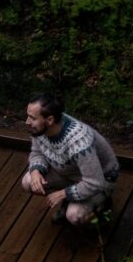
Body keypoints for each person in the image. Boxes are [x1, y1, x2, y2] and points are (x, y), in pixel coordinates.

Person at [21, 94, 119, 226]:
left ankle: (102, 204)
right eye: (28, 116)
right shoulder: (40, 129)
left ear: (49, 120)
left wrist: (63, 194)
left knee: (74, 215)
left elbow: (95, 183)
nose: (27, 122)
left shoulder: (79, 143)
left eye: (32, 118)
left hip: (100, 181)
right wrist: (36, 171)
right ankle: (73, 197)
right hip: (69, 173)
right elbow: (37, 152)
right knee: (28, 182)